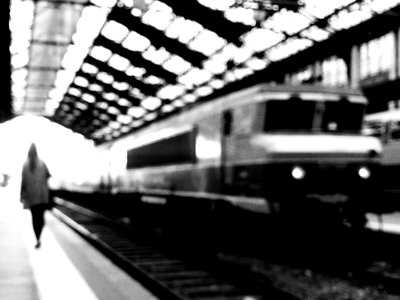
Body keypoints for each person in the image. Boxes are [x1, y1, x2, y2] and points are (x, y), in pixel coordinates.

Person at [20, 143, 51, 249]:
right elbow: (48, 176)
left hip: (31, 197)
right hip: (42, 196)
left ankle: (37, 238)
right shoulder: (42, 163)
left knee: (34, 218)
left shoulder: (25, 165)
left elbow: (23, 182)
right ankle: (38, 236)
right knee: (41, 219)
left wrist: (22, 195)